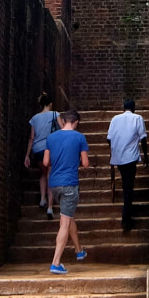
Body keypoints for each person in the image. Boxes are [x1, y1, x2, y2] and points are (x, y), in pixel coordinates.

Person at [44, 109, 90, 272]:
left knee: (68, 216)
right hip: (69, 183)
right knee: (64, 223)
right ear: (76, 122)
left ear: (64, 120)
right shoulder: (79, 137)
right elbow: (85, 163)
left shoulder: (51, 137)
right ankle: (56, 263)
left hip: (54, 184)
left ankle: (79, 251)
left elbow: (45, 162)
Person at [106, 100, 148, 233]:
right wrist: (145, 155)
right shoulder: (138, 118)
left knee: (126, 184)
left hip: (118, 158)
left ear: (123, 108)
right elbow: (143, 138)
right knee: (128, 187)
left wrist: (116, 150)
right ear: (134, 108)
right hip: (130, 158)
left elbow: (109, 138)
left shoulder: (115, 119)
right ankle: (126, 219)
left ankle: (127, 216)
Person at [25, 93, 59, 218]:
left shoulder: (34, 118)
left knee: (43, 173)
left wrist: (27, 155)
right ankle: (50, 207)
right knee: (50, 174)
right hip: (50, 149)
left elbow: (31, 138)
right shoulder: (56, 115)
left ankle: (42, 199)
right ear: (50, 104)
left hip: (37, 150)